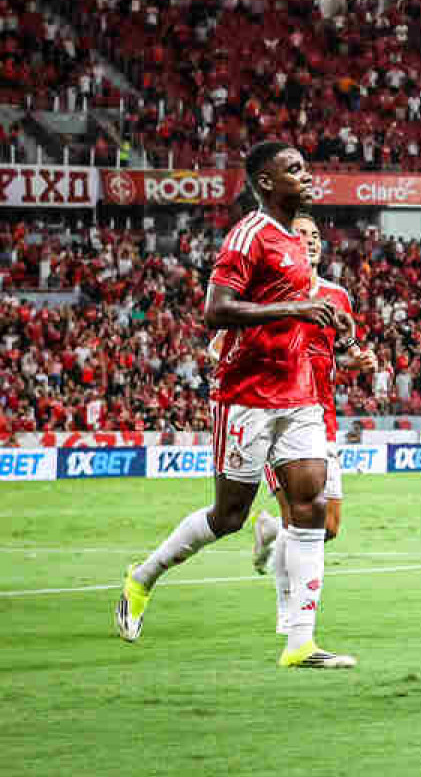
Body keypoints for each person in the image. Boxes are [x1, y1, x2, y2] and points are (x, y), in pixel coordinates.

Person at [115, 141, 356, 668]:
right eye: (293, 169)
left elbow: (297, 313)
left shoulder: (295, 242)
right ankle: (143, 577)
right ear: (267, 183)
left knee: (311, 508)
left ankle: (300, 642)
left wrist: (321, 319)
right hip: (246, 398)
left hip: (299, 396)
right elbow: (215, 310)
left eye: (304, 165)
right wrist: (300, 306)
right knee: (228, 516)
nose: (306, 173)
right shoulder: (250, 234)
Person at [243, 211, 377, 637]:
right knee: (299, 519)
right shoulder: (269, 296)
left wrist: (355, 360)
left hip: (324, 418)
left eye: (316, 234)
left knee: (328, 527)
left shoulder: (337, 297)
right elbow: (217, 348)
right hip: (280, 418)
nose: (312, 240)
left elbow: (340, 351)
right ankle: (289, 619)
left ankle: (268, 532)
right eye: (301, 234)